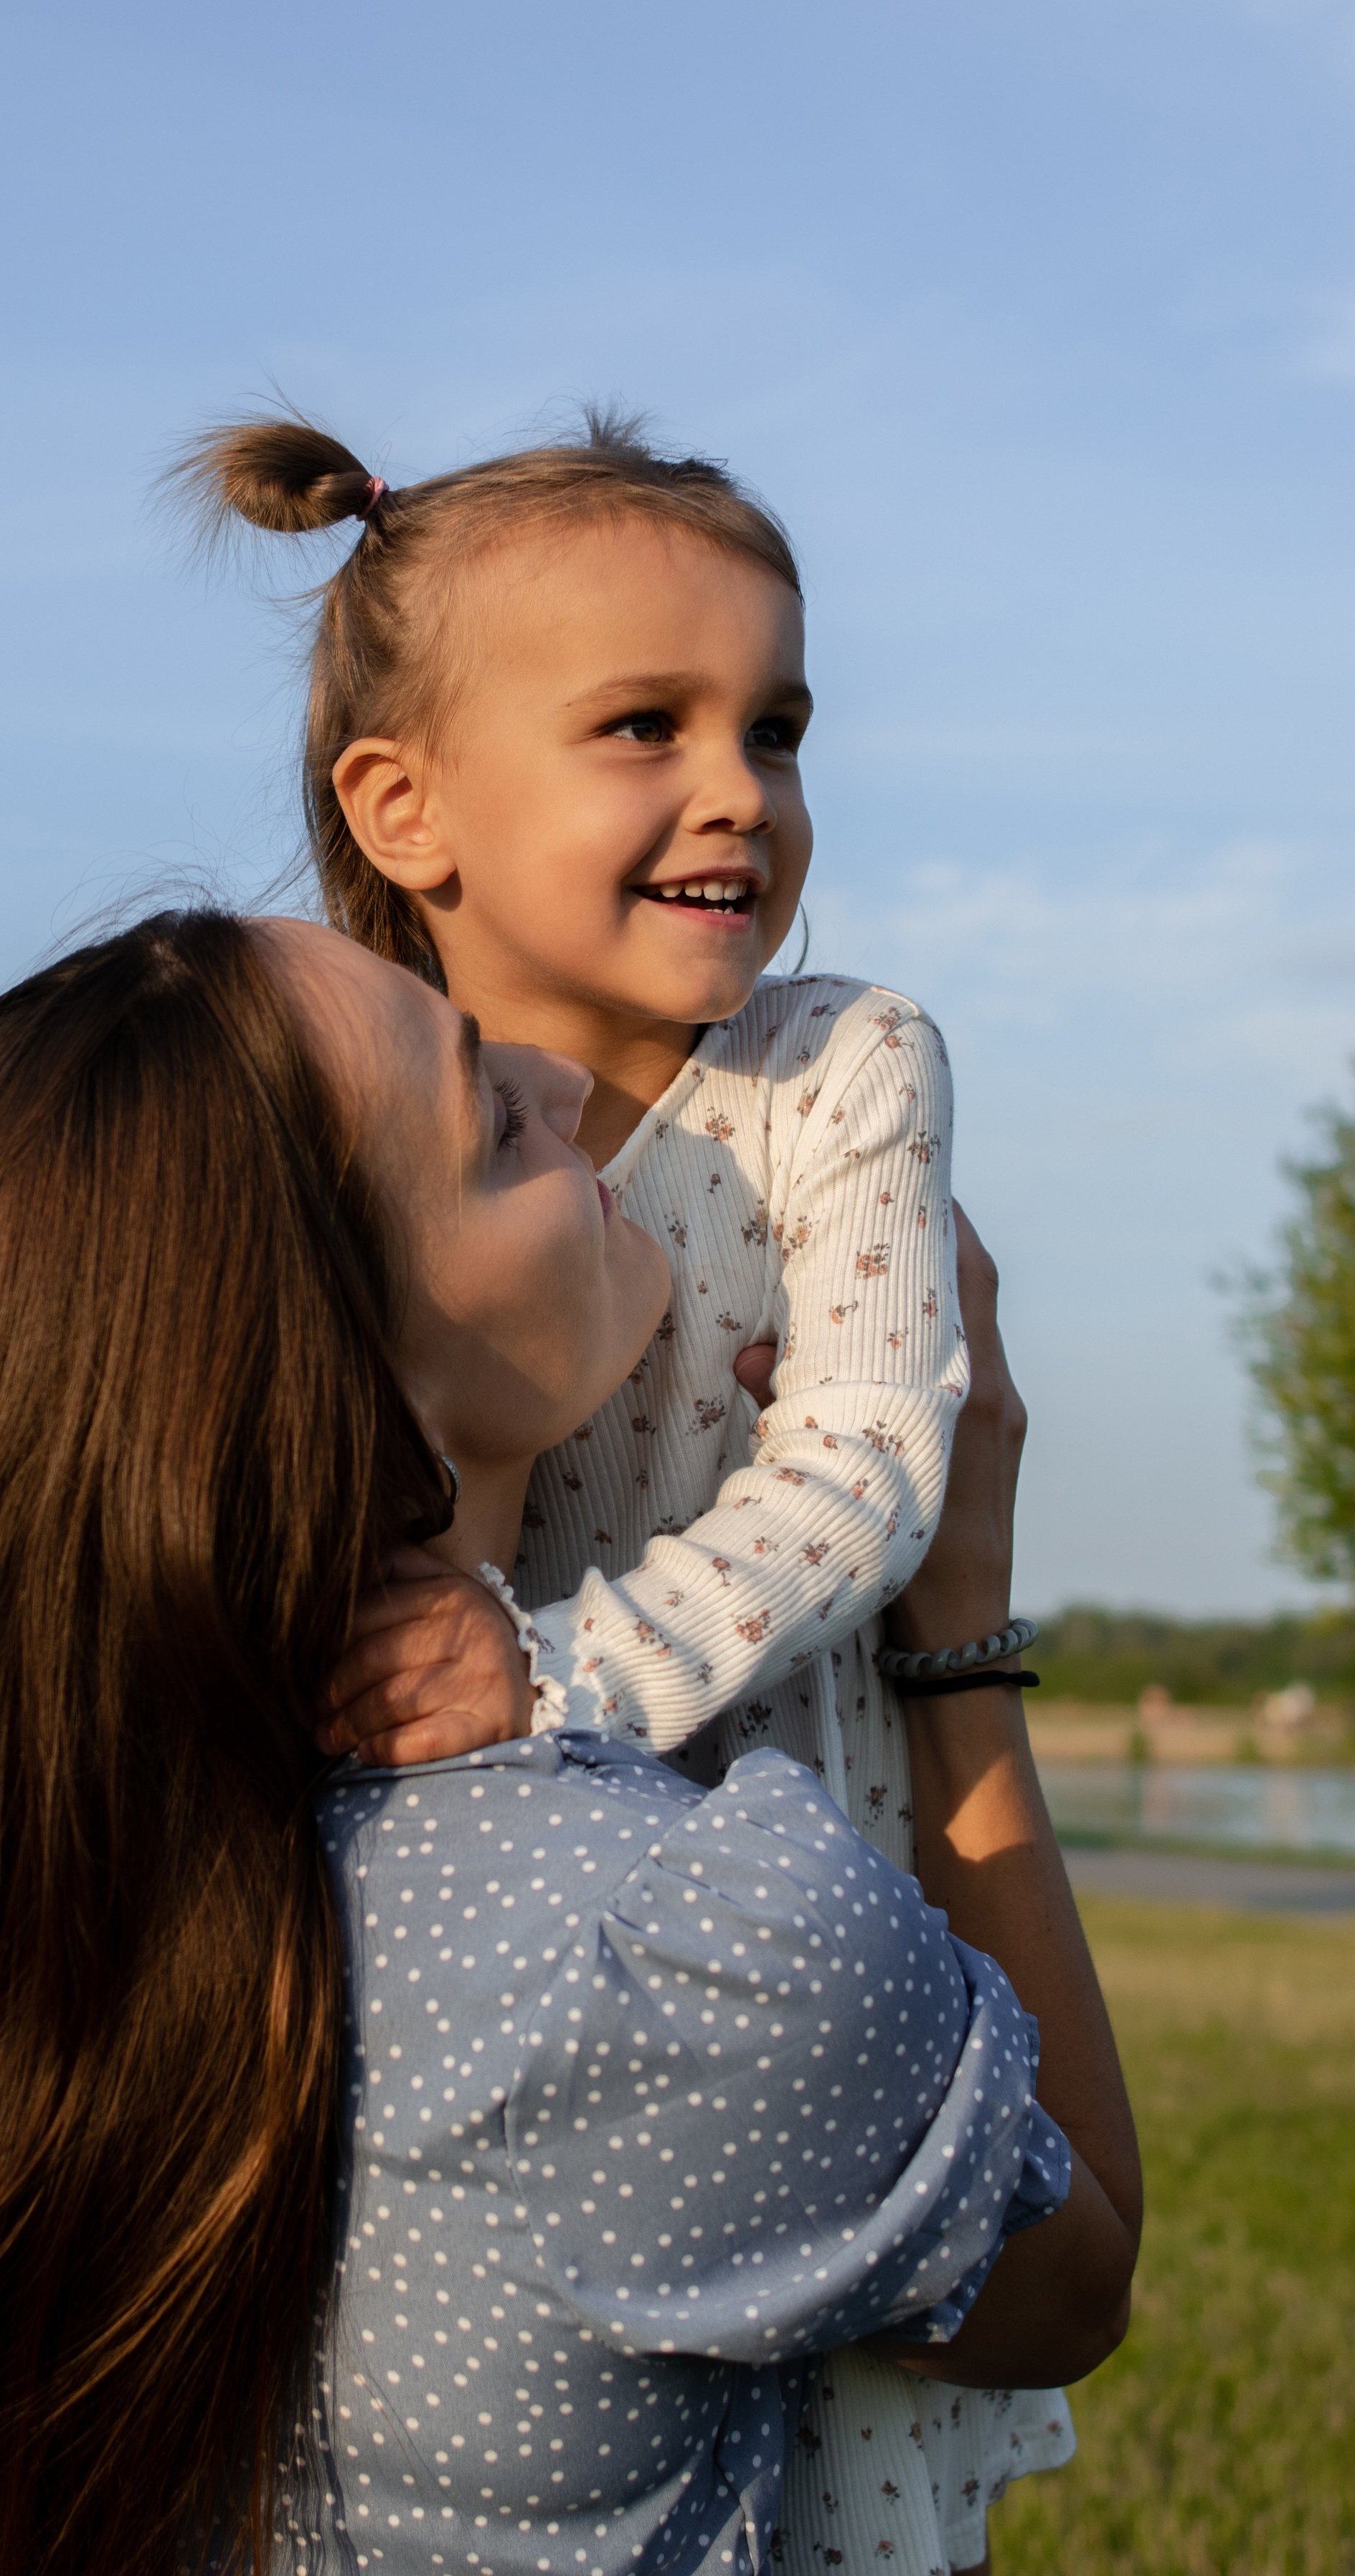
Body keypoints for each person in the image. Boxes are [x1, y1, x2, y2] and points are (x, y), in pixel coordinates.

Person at [0, 908, 1138, 2576]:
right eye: (489, 1120)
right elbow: (1071, 2284)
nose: (558, 1076)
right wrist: (954, 1639)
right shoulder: (673, 1947)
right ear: (342, 1368)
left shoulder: (40, 1895)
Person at [174, 410, 1073, 2567]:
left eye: (775, 727)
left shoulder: (840, 1068)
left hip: (784, 1874)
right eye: (642, 724)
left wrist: (554, 1670)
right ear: (406, 806)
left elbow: (869, 1460)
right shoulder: (338, 1111)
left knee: (842, 2450)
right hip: (453, 1927)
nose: (739, 794)